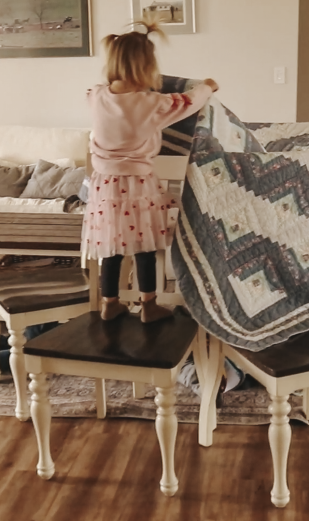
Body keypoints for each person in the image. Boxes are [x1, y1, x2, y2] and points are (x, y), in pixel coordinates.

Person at [85, 21, 217, 322]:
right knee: (144, 245)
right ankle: (148, 305)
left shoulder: (95, 96)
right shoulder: (152, 104)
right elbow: (189, 102)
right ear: (145, 66)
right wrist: (208, 85)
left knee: (112, 246)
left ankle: (110, 302)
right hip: (138, 185)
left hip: (103, 185)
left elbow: (99, 98)